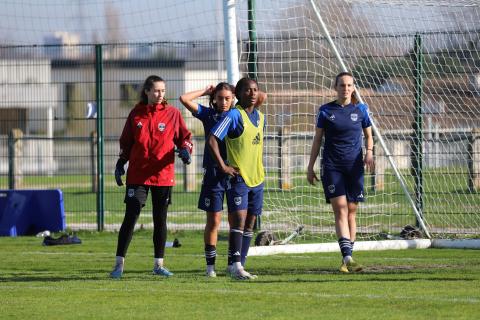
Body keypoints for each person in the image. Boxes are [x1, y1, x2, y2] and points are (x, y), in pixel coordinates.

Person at [110, 75, 193, 279]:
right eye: (156, 90)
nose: (160, 95)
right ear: (146, 91)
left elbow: (185, 138)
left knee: (160, 219)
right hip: (138, 175)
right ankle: (119, 265)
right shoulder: (136, 114)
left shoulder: (173, 114)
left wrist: (185, 150)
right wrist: (121, 163)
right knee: (131, 215)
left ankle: (158, 264)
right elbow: (127, 143)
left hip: (163, 175)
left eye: (163, 91)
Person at [306, 71, 374, 273]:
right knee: (341, 208)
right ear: (335, 88)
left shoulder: (361, 110)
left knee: (352, 211)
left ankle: (348, 259)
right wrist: (310, 166)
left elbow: (369, 137)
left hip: (354, 167)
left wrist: (369, 153)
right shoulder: (325, 111)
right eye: (342, 85)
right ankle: (347, 257)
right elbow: (317, 140)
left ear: (353, 88)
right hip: (332, 166)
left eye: (349, 85)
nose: (345, 88)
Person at [208, 77, 266, 280]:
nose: (252, 94)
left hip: (257, 178)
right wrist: (223, 166)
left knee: (250, 223)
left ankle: (240, 265)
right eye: (247, 90)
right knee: (239, 221)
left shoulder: (261, 117)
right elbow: (213, 139)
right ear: (238, 95)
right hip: (239, 177)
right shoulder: (234, 115)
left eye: (255, 90)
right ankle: (235, 265)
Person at [179, 83, 235, 278]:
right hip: (213, 173)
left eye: (228, 98)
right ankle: (210, 266)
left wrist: (238, 89)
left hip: (235, 173)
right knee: (214, 220)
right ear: (214, 99)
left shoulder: (237, 115)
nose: (224, 102)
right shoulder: (208, 115)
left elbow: (261, 96)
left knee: (235, 219)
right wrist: (205, 91)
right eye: (220, 98)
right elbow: (184, 99)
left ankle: (232, 263)